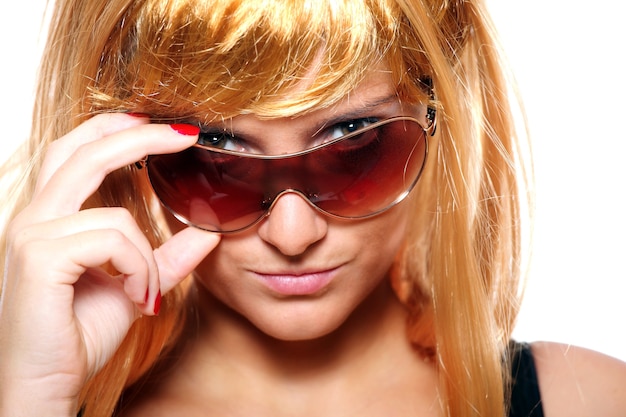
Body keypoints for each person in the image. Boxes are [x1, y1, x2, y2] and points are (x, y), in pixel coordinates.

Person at [0, 0, 625, 416]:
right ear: (121, 155)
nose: (293, 234)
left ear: (442, 122)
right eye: (217, 160)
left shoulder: (591, 402)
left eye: (355, 148)